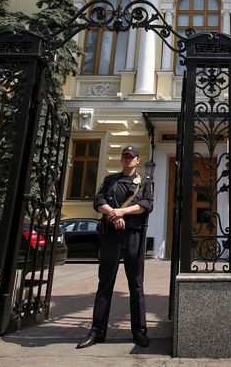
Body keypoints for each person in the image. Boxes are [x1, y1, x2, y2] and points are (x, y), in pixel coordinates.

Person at [76, 146, 154, 349]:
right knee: (105, 284)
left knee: (136, 285)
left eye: (132, 157)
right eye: (125, 157)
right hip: (111, 237)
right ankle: (97, 331)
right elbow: (98, 200)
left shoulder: (145, 182)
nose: (128, 160)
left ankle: (140, 332)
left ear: (137, 160)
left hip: (133, 237)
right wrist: (113, 213)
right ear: (122, 160)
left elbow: (146, 205)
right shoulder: (110, 180)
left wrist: (122, 213)